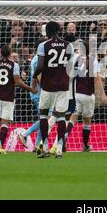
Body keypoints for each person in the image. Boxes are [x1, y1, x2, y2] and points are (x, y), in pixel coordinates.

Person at [0, 45, 36, 154]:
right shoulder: (14, 65)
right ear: (10, 53)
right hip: (9, 97)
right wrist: (30, 89)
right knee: (5, 123)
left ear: (1, 53)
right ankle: (0, 145)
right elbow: (18, 82)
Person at [32, 21, 74, 159]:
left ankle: (45, 147)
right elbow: (70, 66)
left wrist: (34, 76)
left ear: (48, 32)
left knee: (43, 114)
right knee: (61, 116)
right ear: (59, 30)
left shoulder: (43, 45)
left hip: (48, 85)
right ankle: (59, 150)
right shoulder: (69, 45)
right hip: (63, 85)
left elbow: (40, 66)